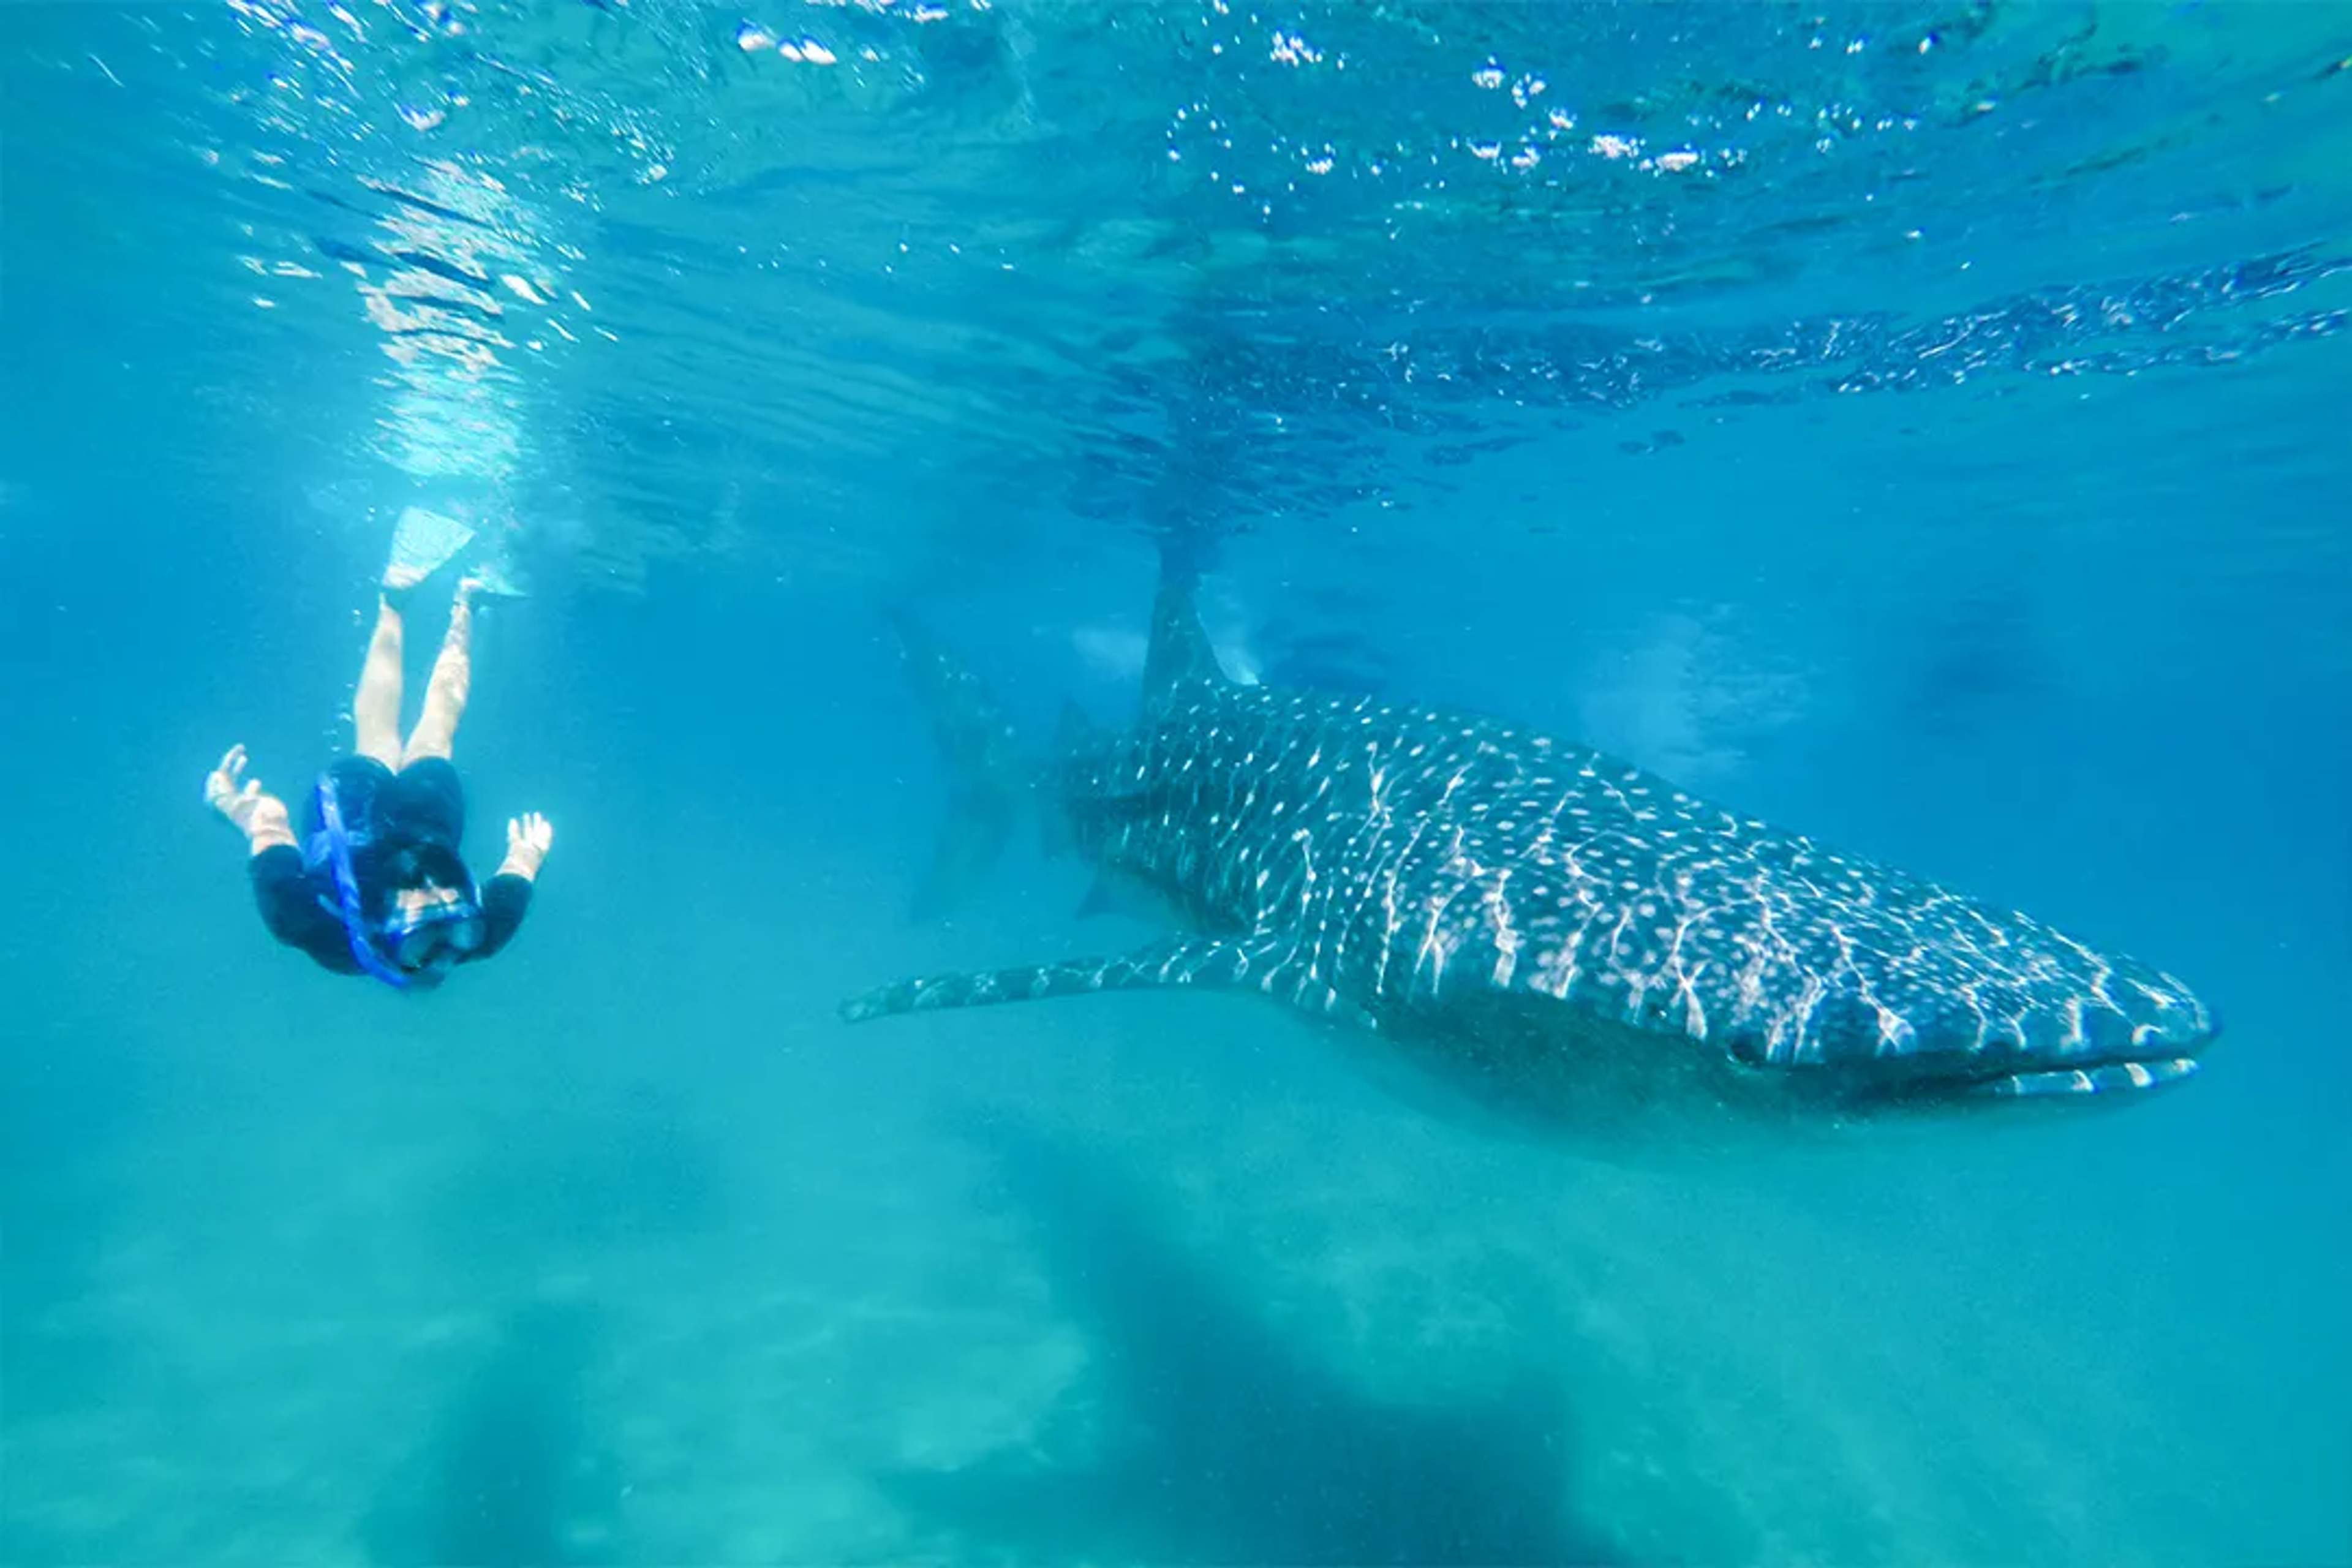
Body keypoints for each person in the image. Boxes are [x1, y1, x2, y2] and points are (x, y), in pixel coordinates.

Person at [206, 562, 552, 989]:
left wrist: (231, 805)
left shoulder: (306, 924)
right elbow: (516, 877)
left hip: (352, 814)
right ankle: (466, 604)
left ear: (383, 926)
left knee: (378, 741)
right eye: (459, 922)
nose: (446, 954)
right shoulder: (482, 935)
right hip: (430, 827)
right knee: (436, 737)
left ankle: (393, 605)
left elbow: (270, 825)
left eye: (428, 927)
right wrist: (526, 855)